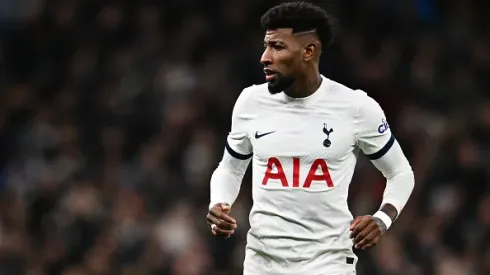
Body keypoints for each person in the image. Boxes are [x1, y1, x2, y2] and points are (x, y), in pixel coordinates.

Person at [206, 2, 415, 274]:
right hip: (262, 264)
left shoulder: (355, 108)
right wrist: (219, 203)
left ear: (309, 51)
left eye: (277, 47)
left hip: (327, 263)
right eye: (266, 46)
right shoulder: (250, 102)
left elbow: (400, 172)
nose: (264, 57)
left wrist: (382, 218)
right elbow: (230, 169)